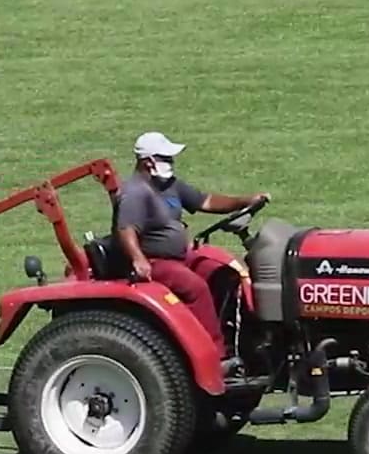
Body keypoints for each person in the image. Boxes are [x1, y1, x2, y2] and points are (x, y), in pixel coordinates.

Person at [115, 131, 270, 360]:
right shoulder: (135, 192)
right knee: (195, 288)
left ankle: (239, 344)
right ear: (148, 162)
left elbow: (205, 201)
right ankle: (215, 355)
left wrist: (245, 201)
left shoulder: (170, 186)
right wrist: (138, 259)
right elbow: (125, 228)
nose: (171, 163)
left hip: (180, 256)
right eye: (166, 158)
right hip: (154, 261)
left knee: (225, 274)